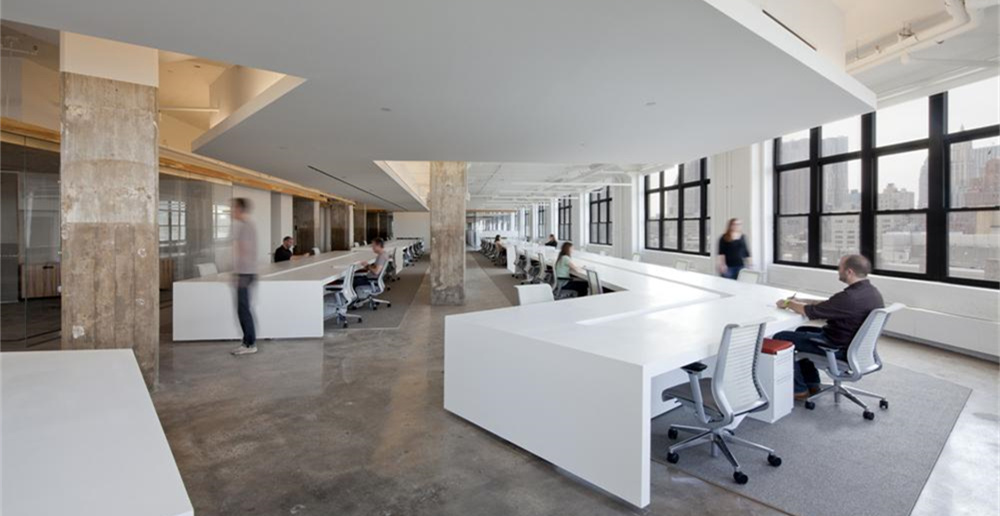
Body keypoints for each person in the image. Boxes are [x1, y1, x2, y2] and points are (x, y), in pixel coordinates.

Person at [773, 254, 884, 399]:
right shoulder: (871, 292)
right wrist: (801, 300)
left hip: (837, 348)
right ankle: (812, 383)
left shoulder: (849, 297)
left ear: (849, 272)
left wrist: (788, 303)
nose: (838, 270)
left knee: (781, 337)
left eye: (840, 267)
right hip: (853, 345)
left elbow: (810, 312)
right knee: (801, 330)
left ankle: (799, 390)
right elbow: (829, 304)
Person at [231, 198, 258, 356]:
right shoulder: (245, 226)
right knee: (242, 309)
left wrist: (239, 274)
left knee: (243, 310)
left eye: (233, 208)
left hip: (245, 273)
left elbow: (245, 252)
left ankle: (250, 343)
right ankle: (247, 342)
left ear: (240, 209)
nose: (231, 211)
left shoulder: (246, 227)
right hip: (245, 272)